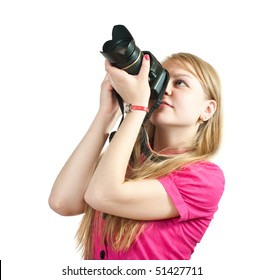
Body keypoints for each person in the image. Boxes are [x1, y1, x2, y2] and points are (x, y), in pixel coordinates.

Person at [48, 52, 225, 260]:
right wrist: (107, 113)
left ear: (207, 109)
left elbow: (103, 195)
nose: (165, 90)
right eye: (162, 80)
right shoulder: (126, 161)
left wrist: (137, 107)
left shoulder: (204, 179)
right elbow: (62, 202)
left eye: (180, 83)